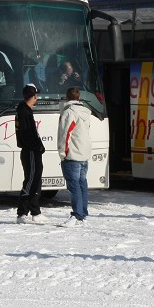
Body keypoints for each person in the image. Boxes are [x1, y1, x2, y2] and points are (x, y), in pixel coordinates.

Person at [58, 87, 92, 227]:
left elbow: (65, 135)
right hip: (84, 153)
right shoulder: (86, 112)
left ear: (67, 97)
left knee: (74, 186)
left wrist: (63, 153)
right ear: (78, 98)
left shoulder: (69, 112)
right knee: (82, 183)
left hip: (72, 154)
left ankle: (77, 215)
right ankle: (83, 214)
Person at [16, 84, 47, 223]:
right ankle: (22, 212)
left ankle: (35, 210)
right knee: (31, 180)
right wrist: (38, 146)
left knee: (36, 180)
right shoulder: (24, 111)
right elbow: (27, 134)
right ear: (34, 96)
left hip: (32, 150)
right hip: (30, 151)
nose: (37, 98)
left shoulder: (25, 110)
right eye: (36, 95)